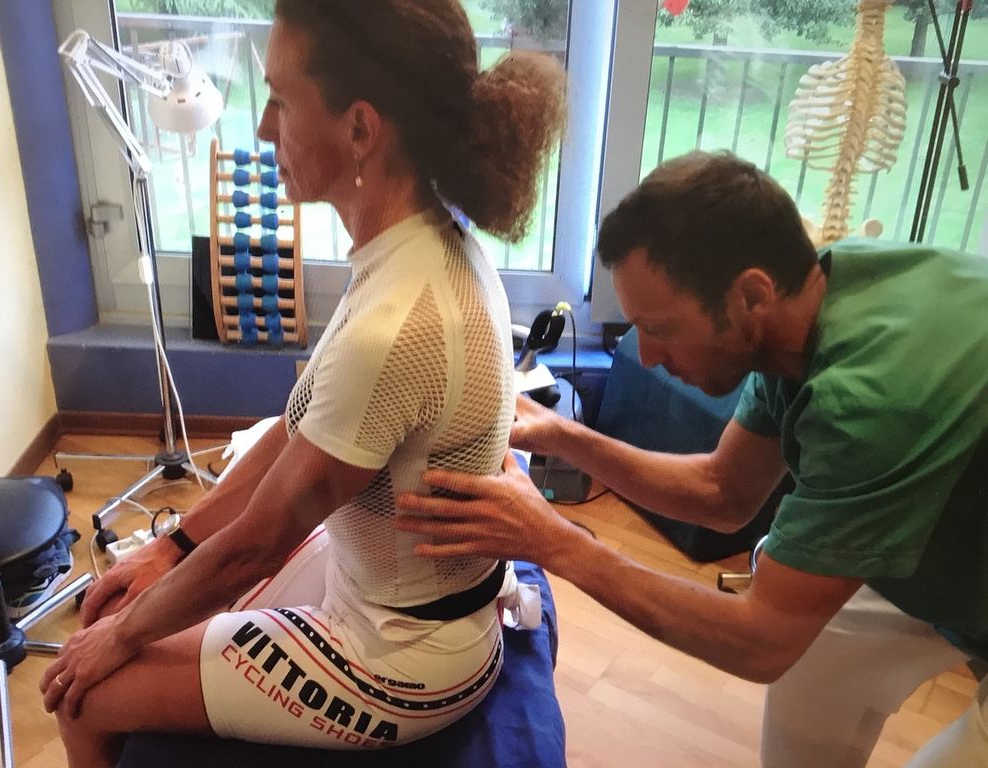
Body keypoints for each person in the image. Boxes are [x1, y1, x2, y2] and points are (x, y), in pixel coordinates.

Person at [40, 2, 565, 765]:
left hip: (399, 656)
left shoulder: (397, 323)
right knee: (139, 607)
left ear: (360, 128)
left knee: (83, 695)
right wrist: (174, 545)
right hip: (389, 591)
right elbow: (298, 430)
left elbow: (255, 546)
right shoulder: (419, 244)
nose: (262, 129)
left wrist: (123, 635)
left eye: (281, 101)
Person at [397, 151, 988, 767]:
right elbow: (722, 492)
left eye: (660, 327)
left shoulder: (869, 401)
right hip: (939, 537)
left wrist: (555, 541)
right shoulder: (814, 298)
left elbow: (760, 642)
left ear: (751, 295)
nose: (647, 356)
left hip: (951, 552)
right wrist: (562, 435)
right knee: (816, 674)